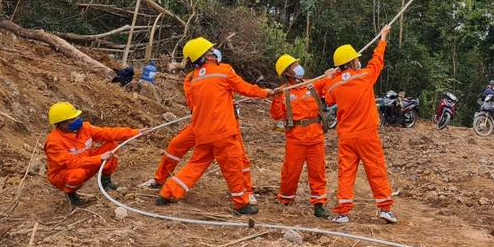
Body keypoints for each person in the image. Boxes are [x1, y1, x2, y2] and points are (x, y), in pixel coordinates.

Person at [157, 37, 274, 215]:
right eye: (210, 50)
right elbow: (246, 89)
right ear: (206, 56)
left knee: (196, 164)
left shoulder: (194, 78)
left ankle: (167, 192)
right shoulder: (224, 71)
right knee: (233, 167)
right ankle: (241, 204)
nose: (214, 52)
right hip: (224, 132)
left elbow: (196, 103)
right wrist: (267, 92)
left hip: (203, 132)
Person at [324, 25, 397, 224]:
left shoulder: (335, 84)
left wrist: (329, 78)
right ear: (351, 63)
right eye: (356, 59)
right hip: (367, 134)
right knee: (376, 169)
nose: (359, 61)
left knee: (346, 173)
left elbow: (328, 100)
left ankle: (343, 213)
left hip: (346, 137)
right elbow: (377, 60)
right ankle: (385, 209)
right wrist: (382, 38)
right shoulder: (364, 76)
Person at [44, 102, 147, 206]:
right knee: (78, 174)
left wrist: (135, 133)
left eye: (77, 116)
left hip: (86, 164)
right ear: (63, 124)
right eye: (73, 119)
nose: (78, 120)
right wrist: (99, 158)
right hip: (63, 175)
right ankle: (70, 193)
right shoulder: (54, 142)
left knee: (112, 146)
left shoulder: (84, 128)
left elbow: (108, 133)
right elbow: (71, 162)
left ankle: (106, 182)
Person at [270, 54, 335, 219]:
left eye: (297, 63)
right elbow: (277, 116)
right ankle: (286, 200)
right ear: (287, 73)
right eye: (294, 65)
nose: (298, 67)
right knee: (290, 172)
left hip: (315, 137)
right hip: (295, 139)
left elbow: (329, 89)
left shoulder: (312, 84)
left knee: (318, 172)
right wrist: (276, 98)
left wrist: (329, 76)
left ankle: (319, 205)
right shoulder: (283, 92)